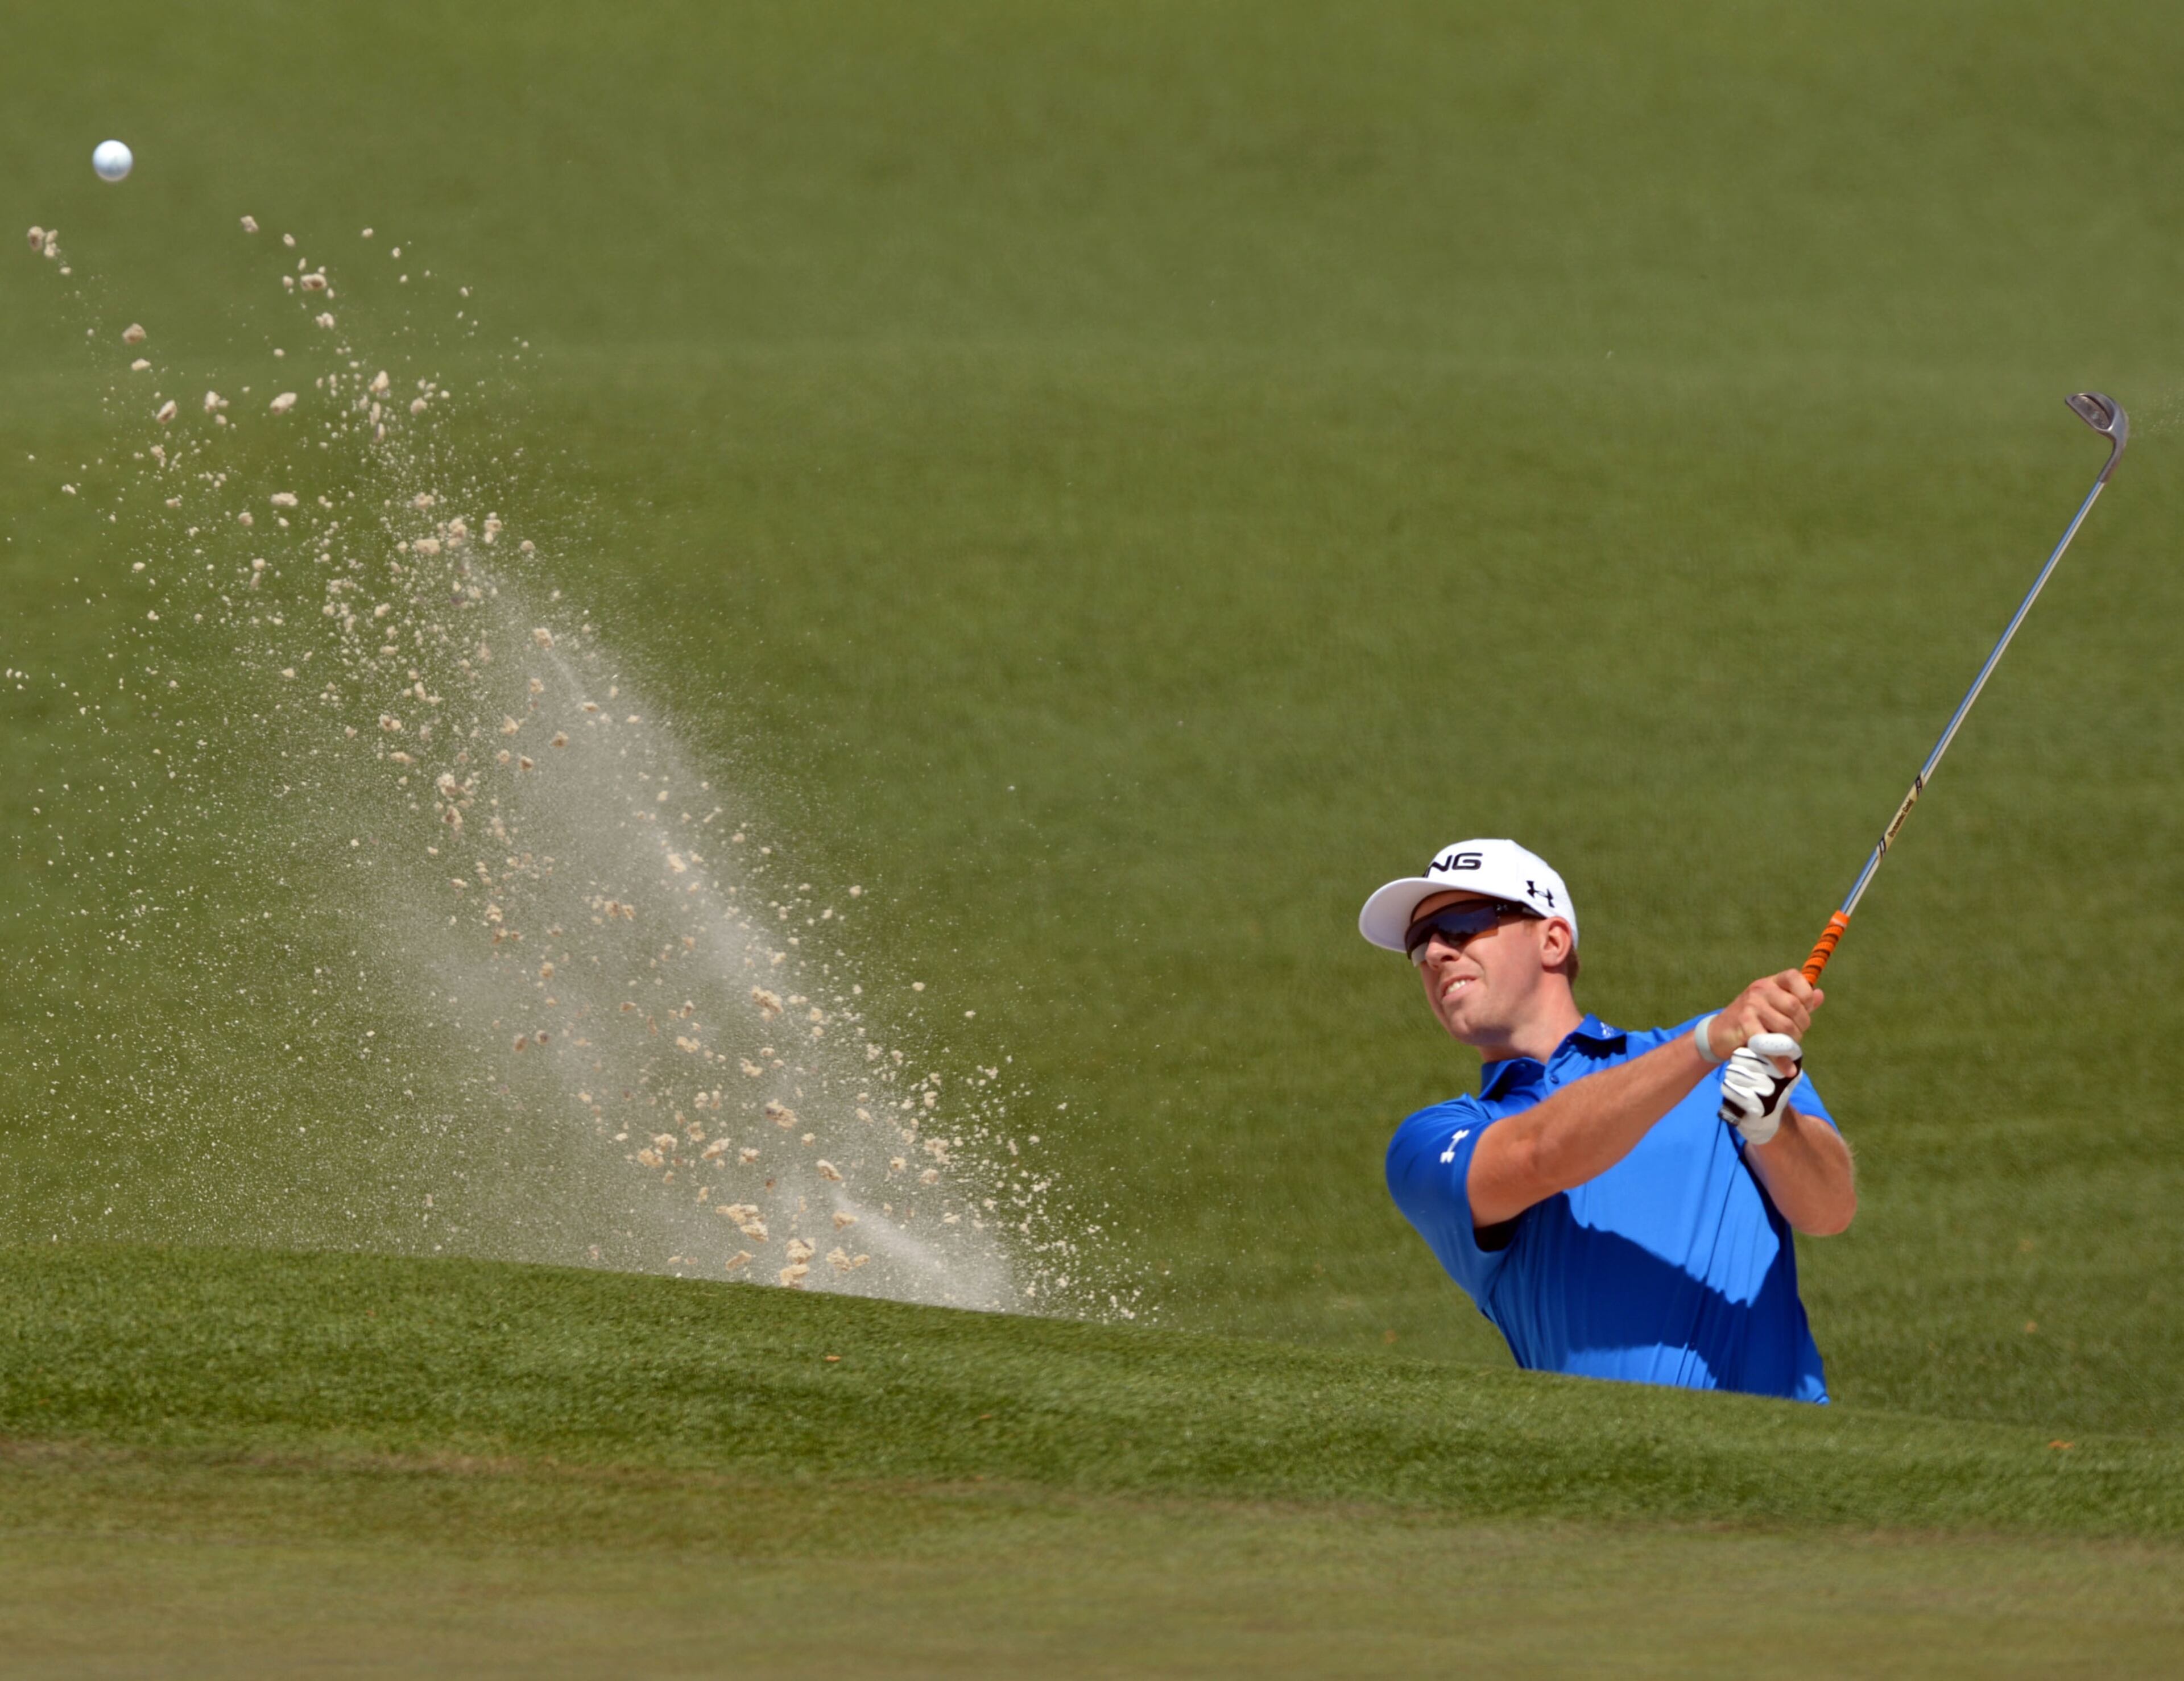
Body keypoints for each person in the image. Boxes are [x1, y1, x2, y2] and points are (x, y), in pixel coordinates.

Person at [1363, 839, 1856, 1402]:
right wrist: (1704, 1045)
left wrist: (1775, 1127)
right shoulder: (1430, 1142)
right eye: (1420, 942)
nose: (1434, 954)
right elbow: (1538, 1154)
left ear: (1553, 941)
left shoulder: (1728, 1058)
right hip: (1613, 1458)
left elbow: (1830, 1210)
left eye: (1461, 925)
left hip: (1781, 1448)